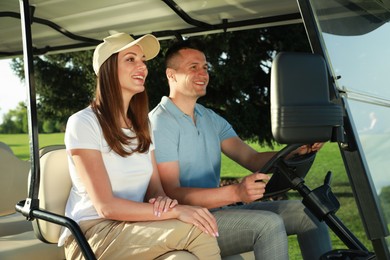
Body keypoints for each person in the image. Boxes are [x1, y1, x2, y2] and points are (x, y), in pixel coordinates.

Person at [149, 39, 332, 259]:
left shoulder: (209, 118)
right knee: (268, 224)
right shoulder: (161, 122)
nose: (203, 73)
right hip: (189, 221)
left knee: (309, 211)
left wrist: (297, 150)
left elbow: (252, 158)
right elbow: (172, 193)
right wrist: (236, 192)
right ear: (171, 75)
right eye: (193, 67)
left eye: (205, 67)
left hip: (220, 211)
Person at [58, 33, 221, 260]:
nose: (142, 66)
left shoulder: (142, 125)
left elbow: (155, 189)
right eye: (131, 59)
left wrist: (162, 200)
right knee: (198, 232)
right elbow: (106, 207)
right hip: (93, 233)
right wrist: (176, 210)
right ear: (107, 69)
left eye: (143, 60)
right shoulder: (83, 123)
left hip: (133, 226)